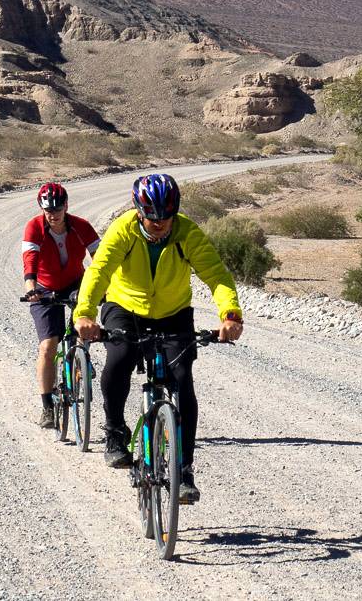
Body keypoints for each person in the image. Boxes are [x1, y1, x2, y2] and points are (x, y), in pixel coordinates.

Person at [74, 173, 243, 505]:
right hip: (125, 307)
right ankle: (114, 431)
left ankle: (185, 468)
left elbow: (217, 274)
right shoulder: (123, 230)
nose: (160, 224)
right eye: (153, 218)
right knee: (119, 360)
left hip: (173, 312)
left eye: (166, 217)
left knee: (182, 380)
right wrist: (85, 313)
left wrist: (230, 314)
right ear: (139, 211)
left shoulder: (186, 232)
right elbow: (99, 272)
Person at [22, 182, 100, 428]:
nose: (53, 215)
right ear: (42, 209)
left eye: (57, 209)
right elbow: (30, 259)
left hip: (77, 282)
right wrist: (30, 288)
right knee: (48, 346)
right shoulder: (34, 227)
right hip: (44, 288)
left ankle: (81, 357)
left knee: (82, 325)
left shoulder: (81, 226)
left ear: (66, 206)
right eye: (48, 210)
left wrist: (106, 287)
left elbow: (101, 259)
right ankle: (47, 407)